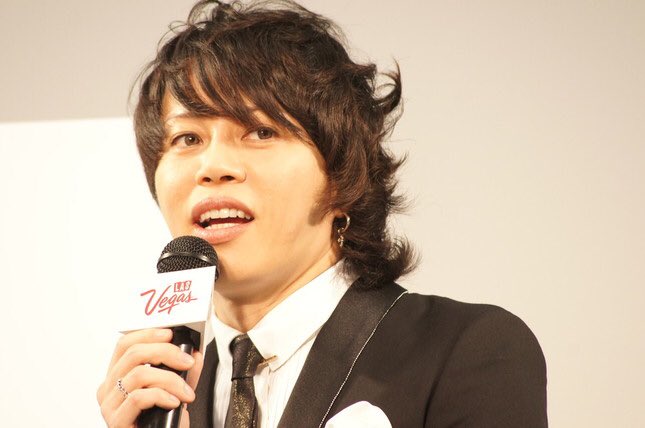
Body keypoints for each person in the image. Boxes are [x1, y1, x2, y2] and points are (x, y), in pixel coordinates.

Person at [97, 0, 548, 426]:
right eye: (187, 139)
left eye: (260, 131)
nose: (212, 167)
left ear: (341, 176)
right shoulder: (167, 391)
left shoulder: (467, 351)